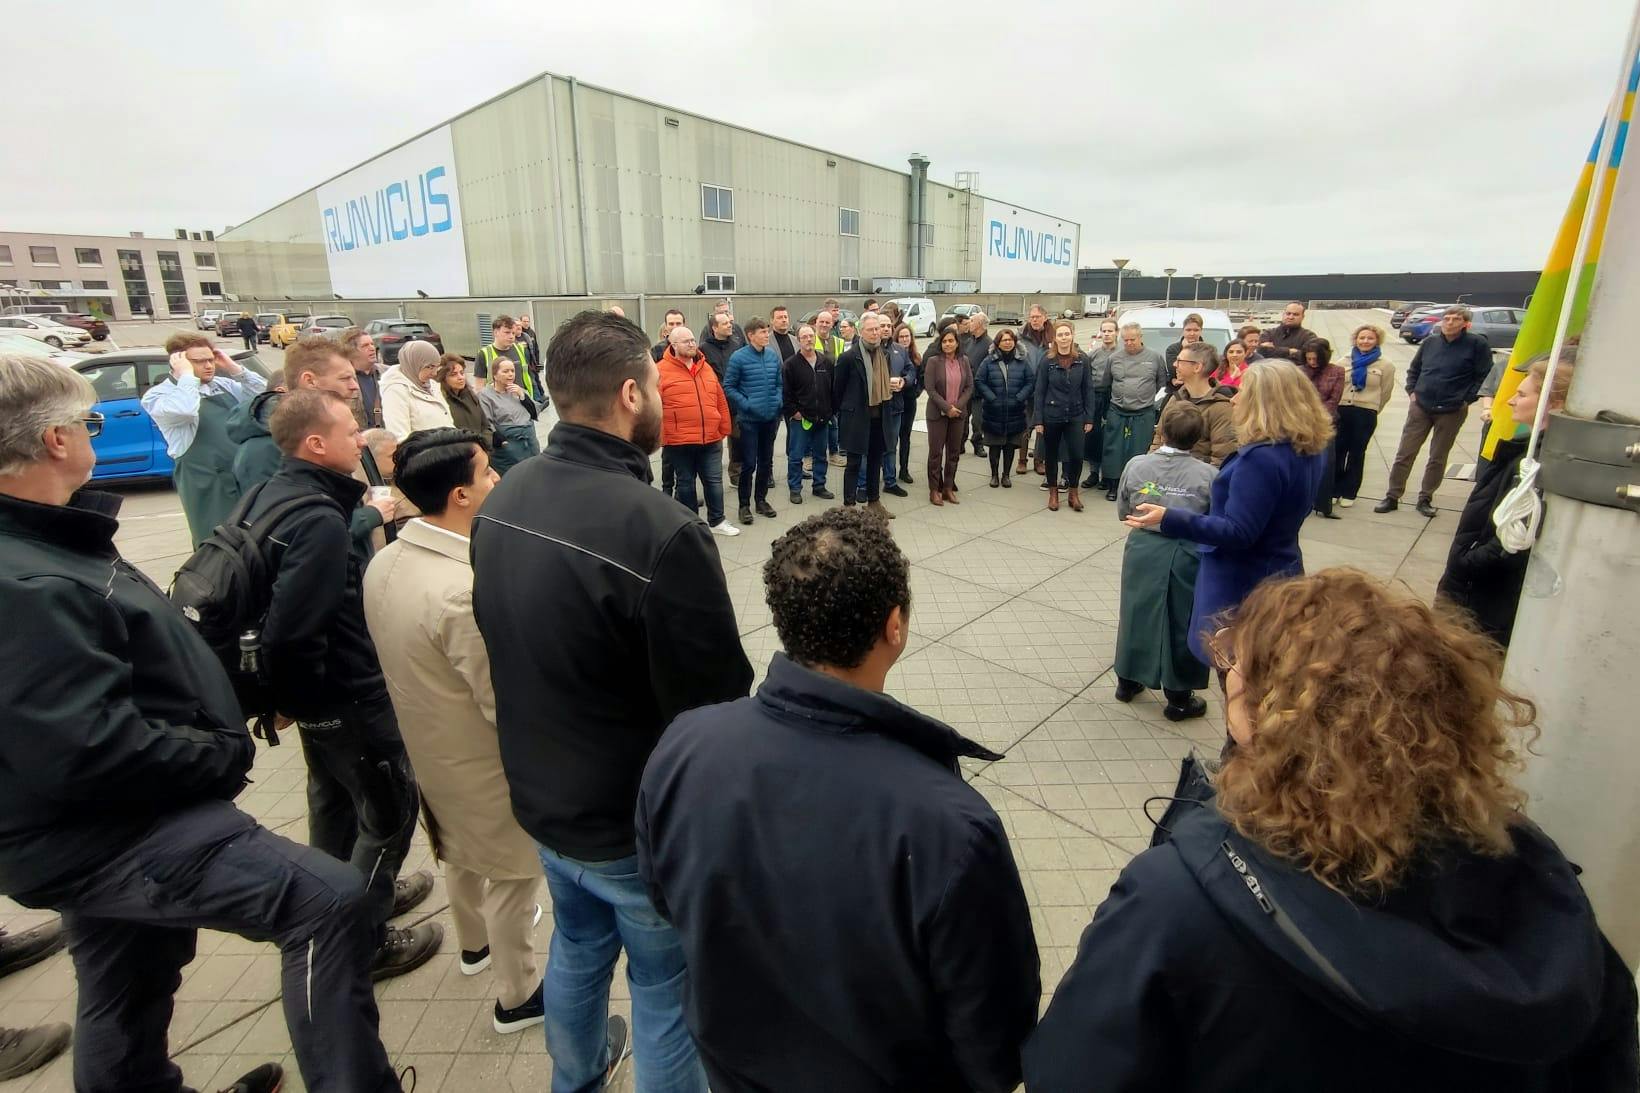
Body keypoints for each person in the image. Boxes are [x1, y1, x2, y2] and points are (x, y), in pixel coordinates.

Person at [1024, 569, 1639, 1092]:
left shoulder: (1178, 902)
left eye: (1234, 679)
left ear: (1270, 722)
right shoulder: (1545, 900)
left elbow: (1072, 1072)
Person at [0, 352, 406, 1092]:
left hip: (85, 824)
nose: (92, 433)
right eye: (88, 422)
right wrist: (216, 751)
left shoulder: (44, 541)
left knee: (128, 974)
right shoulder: (23, 578)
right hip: (113, 827)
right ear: (55, 439)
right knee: (328, 903)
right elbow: (80, 745)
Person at [636, 507, 1041, 1093]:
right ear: (894, 625)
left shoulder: (685, 743)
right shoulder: (951, 827)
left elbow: (664, 895)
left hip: (733, 1066)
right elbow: (995, 1039)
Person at [472, 310, 753, 1092]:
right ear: (632, 394)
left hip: (543, 798)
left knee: (578, 948)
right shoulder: (662, 529)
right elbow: (718, 707)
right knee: (665, 987)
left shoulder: (505, 492)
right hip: (632, 825)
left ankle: (577, 1077)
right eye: (656, 386)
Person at [244, 389, 443, 979]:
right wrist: (298, 699)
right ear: (315, 443)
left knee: (333, 806)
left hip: (322, 700)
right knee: (388, 812)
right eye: (350, 430)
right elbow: (296, 627)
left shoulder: (273, 493)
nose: (360, 438)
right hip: (347, 695)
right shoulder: (318, 519)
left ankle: (334, 903)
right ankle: (363, 939)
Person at [363, 427, 549, 1036]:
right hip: (482, 756)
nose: (497, 479)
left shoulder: (386, 560)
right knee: (514, 873)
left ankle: (474, 944)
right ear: (460, 495)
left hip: (427, 745)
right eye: (487, 472)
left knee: (457, 849)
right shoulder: (461, 591)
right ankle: (519, 996)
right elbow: (501, 698)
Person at [1124, 360, 1331, 665]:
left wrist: (1169, 517)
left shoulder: (1261, 459)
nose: (1234, 399)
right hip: (1281, 569)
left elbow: (1238, 531)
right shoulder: (1308, 449)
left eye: (1242, 391)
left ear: (1264, 402)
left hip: (1243, 583)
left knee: (1236, 670)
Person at [1438, 349, 1577, 649]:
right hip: (1475, 585)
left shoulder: (1534, 465)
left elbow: (1513, 541)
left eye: (1522, 394)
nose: (1512, 400)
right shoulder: (1526, 452)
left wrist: (1467, 563)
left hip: (1483, 596)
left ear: (1553, 403)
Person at [1114, 405, 1218, 720]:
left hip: (1143, 546)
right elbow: (1212, 521)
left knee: (1136, 612)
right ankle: (1178, 696)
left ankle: (1127, 680)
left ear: (1161, 431)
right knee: (1181, 619)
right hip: (1186, 551)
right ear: (1198, 438)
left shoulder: (1137, 464)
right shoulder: (1208, 475)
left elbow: (1123, 509)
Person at [142, 332, 267, 547]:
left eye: (210, 359)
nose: (209, 366)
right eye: (199, 361)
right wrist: (186, 376)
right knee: (218, 545)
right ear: (178, 362)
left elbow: (266, 395)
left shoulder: (223, 385)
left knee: (257, 540)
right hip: (207, 483)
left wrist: (235, 369)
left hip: (242, 476)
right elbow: (184, 411)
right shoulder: (158, 395)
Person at [1376, 304, 1492, 518]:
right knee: (1405, 453)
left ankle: (1425, 498)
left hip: (1452, 409)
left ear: (1465, 324)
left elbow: (1484, 375)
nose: (1450, 322)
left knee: (1437, 456)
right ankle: (1392, 496)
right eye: (1446, 318)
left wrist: (1467, 399)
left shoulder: (1477, 345)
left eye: (1455, 319)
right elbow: (1415, 369)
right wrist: (1412, 391)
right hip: (1421, 405)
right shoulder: (1431, 342)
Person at [658, 324, 739, 535]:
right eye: (686, 341)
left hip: (710, 438)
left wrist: (724, 426)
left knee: (714, 481)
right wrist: (662, 435)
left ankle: (717, 521)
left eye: (693, 340)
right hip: (679, 440)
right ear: (673, 345)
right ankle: (691, 524)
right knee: (685, 483)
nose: (692, 344)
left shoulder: (705, 367)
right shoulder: (660, 371)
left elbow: (719, 398)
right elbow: (654, 406)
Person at [834, 313, 901, 518]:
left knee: (875, 460)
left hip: (879, 417)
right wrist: (844, 414)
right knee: (854, 463)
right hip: (857, 419)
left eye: (877, 329)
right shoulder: (848, 357)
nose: (875, 333)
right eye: (870, 329)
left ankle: (874, 502)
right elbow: (837, 390)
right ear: (861, 331)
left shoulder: (884, 355)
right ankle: (849, 506)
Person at [1100, 322, 1172, 501]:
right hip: (1117, 409)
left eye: (1132, 339)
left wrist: (1150, 401)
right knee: (1113, 448)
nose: (1129, 343)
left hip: (1143, 411)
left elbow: (1162, 384)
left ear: (1140, 337)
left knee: (1140, 450)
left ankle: (1138, 487)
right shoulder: (1114, 358)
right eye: (1125, 340)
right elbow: (1106, 384)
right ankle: (1113, 484)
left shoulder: (1155, 358)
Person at [723, 317, 784, 525]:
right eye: (763, 332)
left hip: (770, 419)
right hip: (749, 421)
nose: (767, 335)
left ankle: (761, 501)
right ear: (751, 335)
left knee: (766, 462)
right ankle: (744, 506)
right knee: (749, 464)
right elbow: (729, 386)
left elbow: (779, 383)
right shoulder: (739, 358)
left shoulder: (772, 355)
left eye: (767, 331)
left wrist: (777, 401)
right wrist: (746, 404)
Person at [1033, 320, 1096, 512]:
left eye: (1067, 334)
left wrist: (1089, 417)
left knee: (1076, 455)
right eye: (1060, 335)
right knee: (1051, 455)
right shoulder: (1047, 360)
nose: (1063, 338)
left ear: (1072, 336)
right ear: (1055, 338)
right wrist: (1038, 420)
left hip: (1076, 414)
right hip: (1052, 414)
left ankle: (1073, 493)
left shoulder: (1082, 359)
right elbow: (1039, 391)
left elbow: (1088, 389)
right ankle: (1053, 493)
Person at [1334, 324, 1396, 508]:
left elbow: (1386, 392)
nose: (1365, 341)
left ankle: (1349, 492)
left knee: (1357, 453)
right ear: (1356, 339)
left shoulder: (1385, 365)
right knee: (1337, 451)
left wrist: (1373, 408)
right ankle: (1334, 489)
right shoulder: (1343, 362)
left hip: (1365, 412)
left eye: (1370, 338)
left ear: (1377, 341)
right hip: (1342, 410)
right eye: (1362, 338)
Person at [1152, 342, 1236, 465]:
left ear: (1197, 367)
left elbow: (1221, 459)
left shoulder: (1221, 407)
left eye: (1179, 361)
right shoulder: (1176, 399)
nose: (1174, 365)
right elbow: (1158, 439)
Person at [782, 323, 835, 505]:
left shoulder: (826, 362)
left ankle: (819, 486)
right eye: (804, 337)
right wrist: (794, 412)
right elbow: (785, 393)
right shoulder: (790, 365)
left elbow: (833, 389)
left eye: (811, 336)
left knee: (820, 455)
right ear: (798, 340)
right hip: (800, 420)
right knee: (796, 456)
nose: (808, 339)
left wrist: (830, 411)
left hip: (822, 419)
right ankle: (795, 489)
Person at [919, 324, 972, 508]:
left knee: (954, 453)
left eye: (951, 341)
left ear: (957, 343)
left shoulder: (964, 361)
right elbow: (930, 389)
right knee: (936, 453)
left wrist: (957, 407)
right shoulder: (933, 362)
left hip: (958, 414)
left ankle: (948, 487)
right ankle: (934, 489)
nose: (948, 344)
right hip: (937, 414)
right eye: (944, 341)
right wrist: (947, 407)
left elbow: (969, 387)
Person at [976, 327, 1032, 489]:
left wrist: (1019, 397)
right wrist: (991, 398)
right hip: (994, 412)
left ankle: (1006, 475)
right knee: (995, 446)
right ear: (998, 343)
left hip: (1015, 412)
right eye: (1004, 340)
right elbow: (979, 381)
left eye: (1010, 340)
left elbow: (1030, 382)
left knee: (1010, 446)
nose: (1007, 343)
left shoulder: (1022, 361)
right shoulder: (989, 361)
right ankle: (994, 475)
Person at [1300, 337, 1346, 518]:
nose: (1312, 362)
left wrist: (1316, 418)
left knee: (1326, 463)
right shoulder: (1299, 371)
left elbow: (1334, 400)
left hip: (1325, 422)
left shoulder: (1337, 371)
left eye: (1316, 359)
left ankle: (1323, 505)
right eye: (1309, 359)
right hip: (1301, 420)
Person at [380, 338, 455, 441]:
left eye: (437, 367)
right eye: (429, 367)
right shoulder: (395, 391)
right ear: (414, 364)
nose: (434, 373)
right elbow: (400, 437)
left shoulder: (432, 385)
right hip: (425, 451)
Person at [478, 357, 542, 476]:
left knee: (533, 474)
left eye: (512, 371)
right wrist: (501, 441)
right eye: (505, 371)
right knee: (512, 476)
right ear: (495, 375)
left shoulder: (519, 390)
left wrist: (523, 397)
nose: (510, 374)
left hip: (529, 442)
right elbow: (486, 422)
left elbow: (535, 412)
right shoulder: (485, 395)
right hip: (508, 445)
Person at [700, 311, 743, 486]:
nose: (730, 325)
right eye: (725, 323)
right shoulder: (703, 349)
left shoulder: (737, 346)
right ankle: (712, 476)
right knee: (714, 442)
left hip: (734, 402)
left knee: (738, 440)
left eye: (729, 322)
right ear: (714, 328)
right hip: (714, 403)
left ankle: (736, 474)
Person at [1080, 319, 1119, 488]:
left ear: (1117, 332)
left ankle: (1108, 476)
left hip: (1113, 399)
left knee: (1109, 438)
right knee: (1093, 437)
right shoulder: (1093, 354)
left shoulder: (1121, 354)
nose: (1107, 334)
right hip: (1094, 398)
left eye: (1110, 331)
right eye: (1104, 331)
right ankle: (1094, 473)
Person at [1019, 306, 1052, 470]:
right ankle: (1022, 460)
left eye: (1038, 316)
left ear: (1045, 317)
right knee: (1025, 426)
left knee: (1042, 426)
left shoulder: (1052, 336)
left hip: (1046, 389)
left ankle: (1039, 460)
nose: (1034, 320)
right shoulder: (1020, 336)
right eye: (1032, 317)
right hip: (1026, 388)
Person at [474, 315, 536, 402]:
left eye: (513, 333)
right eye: (507, 332)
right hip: (498, 405)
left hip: (522, 401)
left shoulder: (520, 349)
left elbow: (528, 375)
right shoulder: (484, 354)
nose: (511, 336)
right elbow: (479, 387)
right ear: (496, 332)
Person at [891, 321, 922, 484]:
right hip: (895, 400)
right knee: (892, 437)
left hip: (910, 401)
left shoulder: (916, 357)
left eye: (907, 336)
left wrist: (917, 392)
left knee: (905, 436)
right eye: (901, 337)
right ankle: (889, 470)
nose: (904, 339)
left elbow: (922, 377)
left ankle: (904, 469)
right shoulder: (894, 354)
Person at [437, 354, 490, 443]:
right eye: (453, 375)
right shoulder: (442, 403)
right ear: (443, 378)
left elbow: (486, 426)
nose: (460, 378)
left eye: (462, 373)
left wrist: (484, 443)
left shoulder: (471, 397)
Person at [339, 326, 384, 429]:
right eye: (365, 346)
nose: (372, 348)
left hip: (385, 435)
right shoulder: (344, 380)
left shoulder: (386, 373)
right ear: (352, 352)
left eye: (372, 344)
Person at [964, 311, 994, 457]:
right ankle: (960, 443)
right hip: (965, 388)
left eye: (972, 321)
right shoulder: (968, 342)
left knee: (977, 420)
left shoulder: (989, 344)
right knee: (962, 417)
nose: (969, 323)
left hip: (980, 390)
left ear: (980, 324)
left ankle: (978, 443)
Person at [517, 312, 544, 399]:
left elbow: (535, 348)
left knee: (536, 380)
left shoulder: (531, 333)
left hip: (531, 362)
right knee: (531, 382)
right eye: (524, 321)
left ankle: (541, 396)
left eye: (528, 321)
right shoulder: (517, 336)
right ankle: (536, 398)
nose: (526, 323)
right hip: (523, 364)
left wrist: (536, 362)